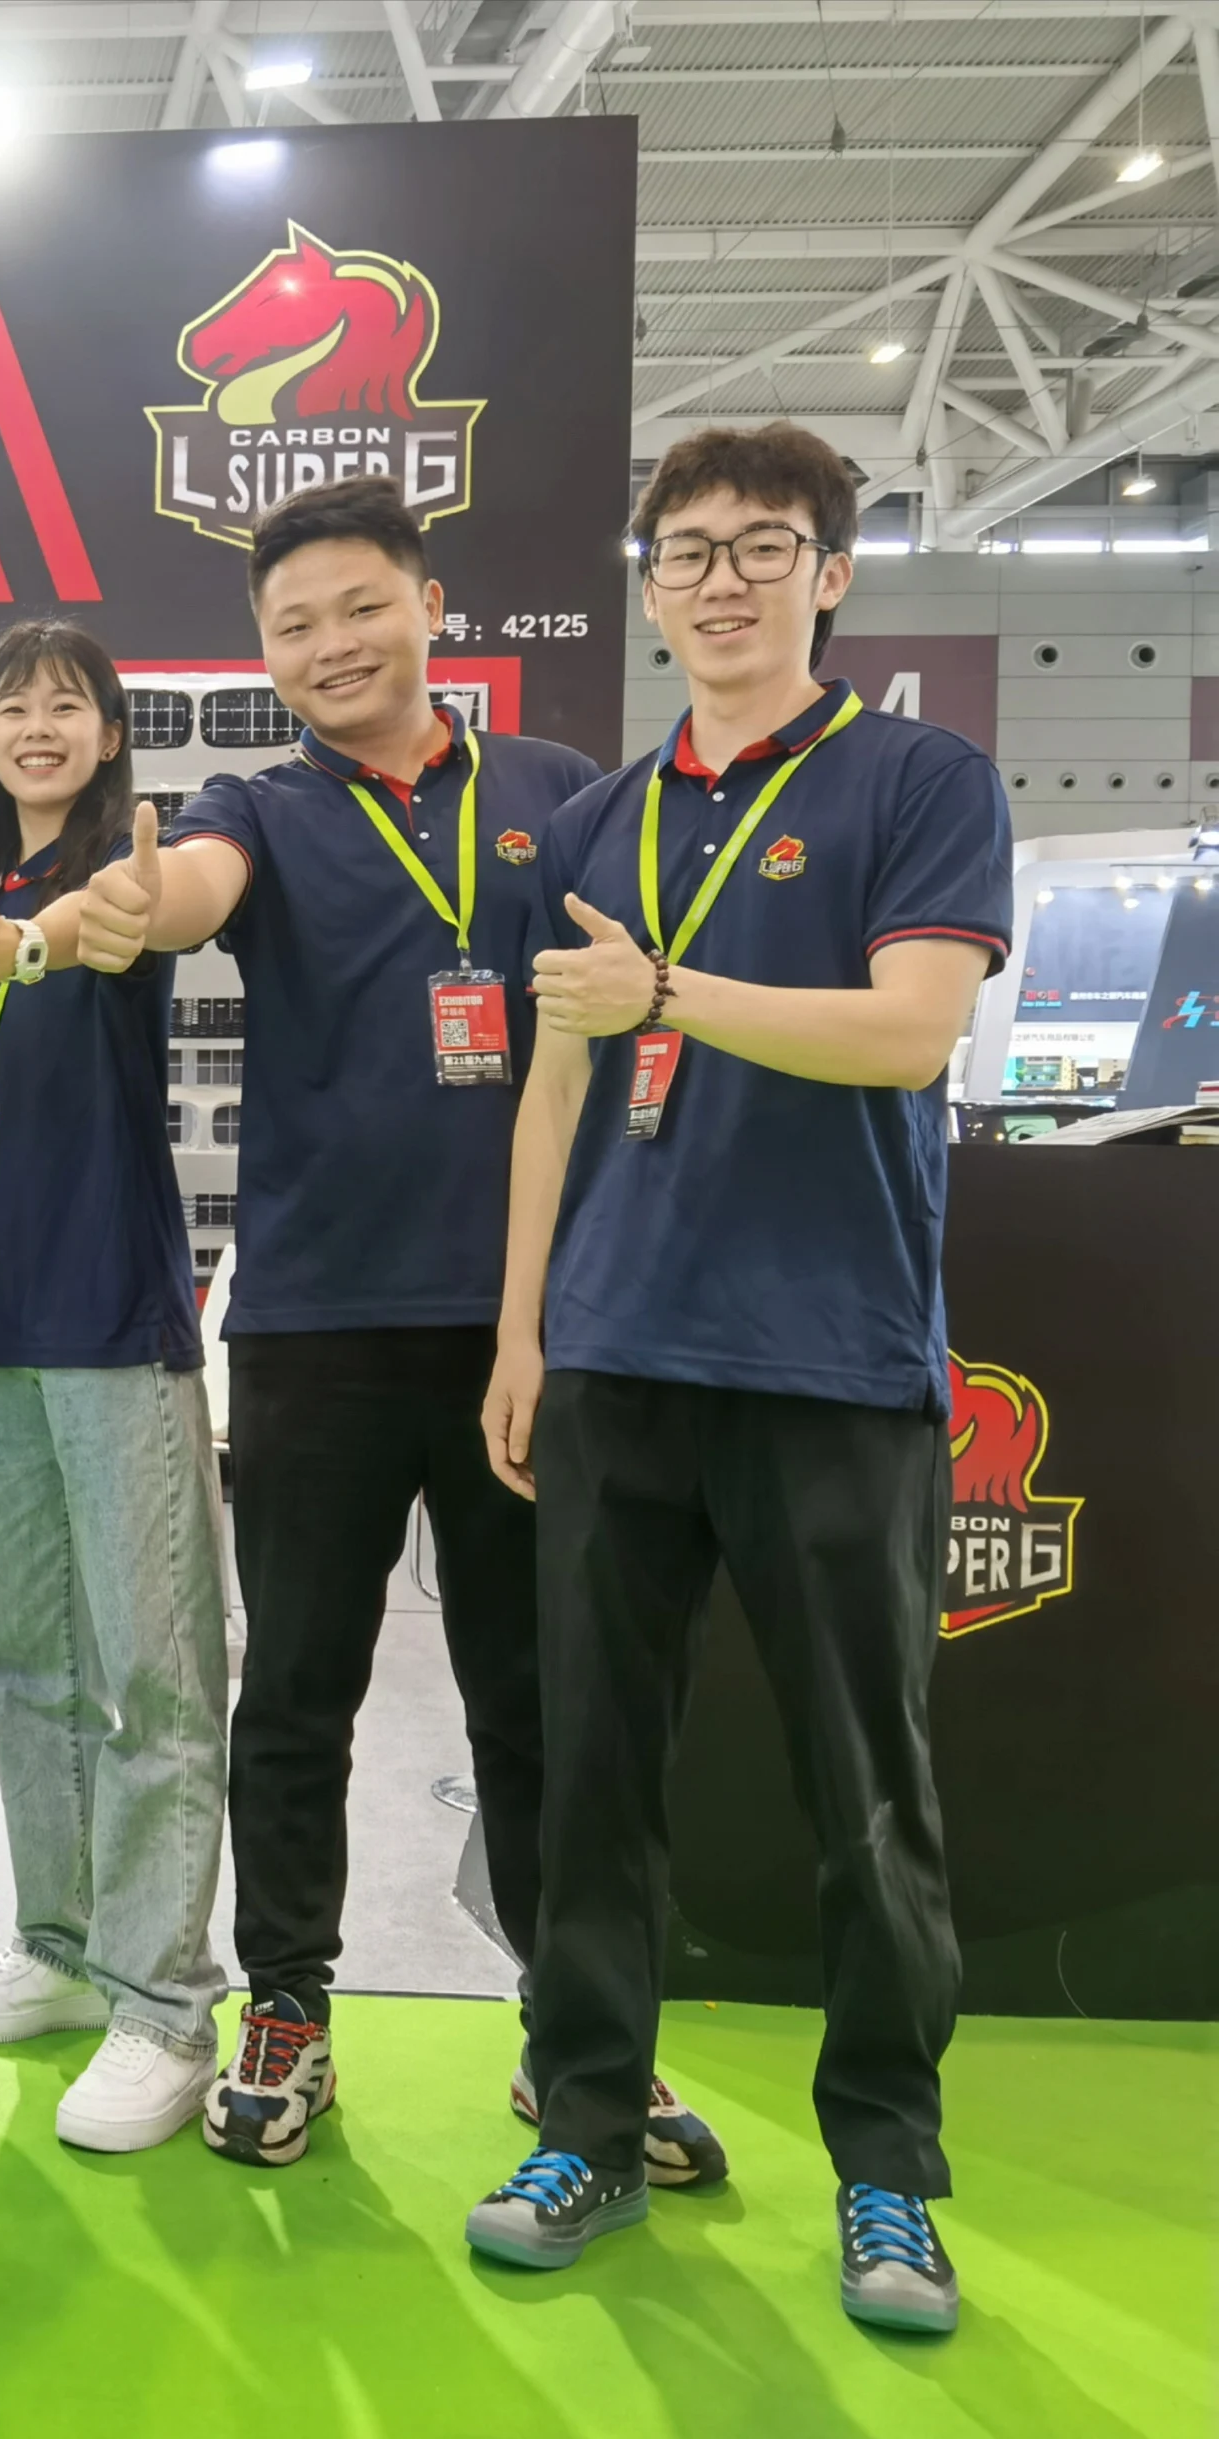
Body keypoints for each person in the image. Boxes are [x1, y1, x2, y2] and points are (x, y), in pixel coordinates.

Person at [465, 423, 1009, 2338]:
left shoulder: (919, 780)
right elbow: (553, 1087)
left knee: (870, 1789)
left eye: (761, 547)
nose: (718, 580)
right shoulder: (603, 822)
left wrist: (672, 997)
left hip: (830, 1365)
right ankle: (589, 2123)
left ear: (829, 576)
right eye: (685, 551)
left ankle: (889, 2176)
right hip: (616, 1359)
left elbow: (912, 1031)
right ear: (650, 585)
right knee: (595, 1778)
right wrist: (523, 1330)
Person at [118, 474, 726, 2185]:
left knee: (537, 1700)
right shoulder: (253, 804)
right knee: (297, 1694)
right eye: (294, 625)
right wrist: (135, 906)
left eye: (359, 607)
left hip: (525, 1332)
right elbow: (194, 888)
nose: (331, 645)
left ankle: (578, 2032)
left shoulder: (559, 793)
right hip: (314, 1327)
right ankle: (289, 2011)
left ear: (430, 607)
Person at [0, 619, 232, 2153]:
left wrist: (46, 939)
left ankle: (165, 2004)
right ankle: (61, 1939)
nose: (37, 726)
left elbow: (125, 924)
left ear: (109, 734)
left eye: (67, 705)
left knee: (154, 1676)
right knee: (23, 1659)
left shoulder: (124, 871)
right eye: (11, 706)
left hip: (113, 1317)